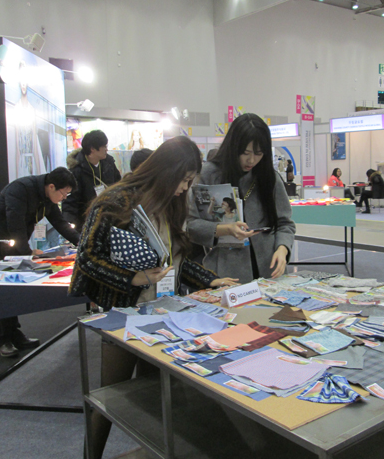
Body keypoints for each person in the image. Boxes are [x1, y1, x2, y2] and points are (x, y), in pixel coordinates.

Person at [69, 136, 238, 459]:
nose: (184, 188)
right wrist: (131, 278)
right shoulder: (116, 201)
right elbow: (87, 258)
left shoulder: (171, 203)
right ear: (167, 171)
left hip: (163, 314)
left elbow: (175, 261)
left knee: (155, 401)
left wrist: (211, 280)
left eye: (189, 182)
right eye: (184, 180)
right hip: (123, 314)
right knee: (108, 399)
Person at [0, 167, 80, 357]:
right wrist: (27, 254)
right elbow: (15, 225)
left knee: (12, 291)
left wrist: (82, 243)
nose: (64, 198)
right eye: (64, 193)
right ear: (52, 186)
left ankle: (14, 334)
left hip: (13, 245)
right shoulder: (20, 189)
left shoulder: (47, 198)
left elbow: (60, 223)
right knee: (1, 291)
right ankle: (2, 339)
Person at [187, 113, 296, 284]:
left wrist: (282, 249)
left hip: (270, 272)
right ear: (233, 147)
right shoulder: (210, 174)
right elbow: (191, 226)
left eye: (259, 153)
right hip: (226, 273)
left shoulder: (269, 177)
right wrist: (224, 229)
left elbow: (285, 223)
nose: (251, 160)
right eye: (245, 153)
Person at [62, 130, 121, 231]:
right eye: (104, 146)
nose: (106, 149)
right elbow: (71, 202)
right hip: (86, 224)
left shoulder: (109, 163)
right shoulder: (77, 170)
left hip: (110, 220)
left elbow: (118, 185)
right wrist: (71, 229)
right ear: (92, 149)